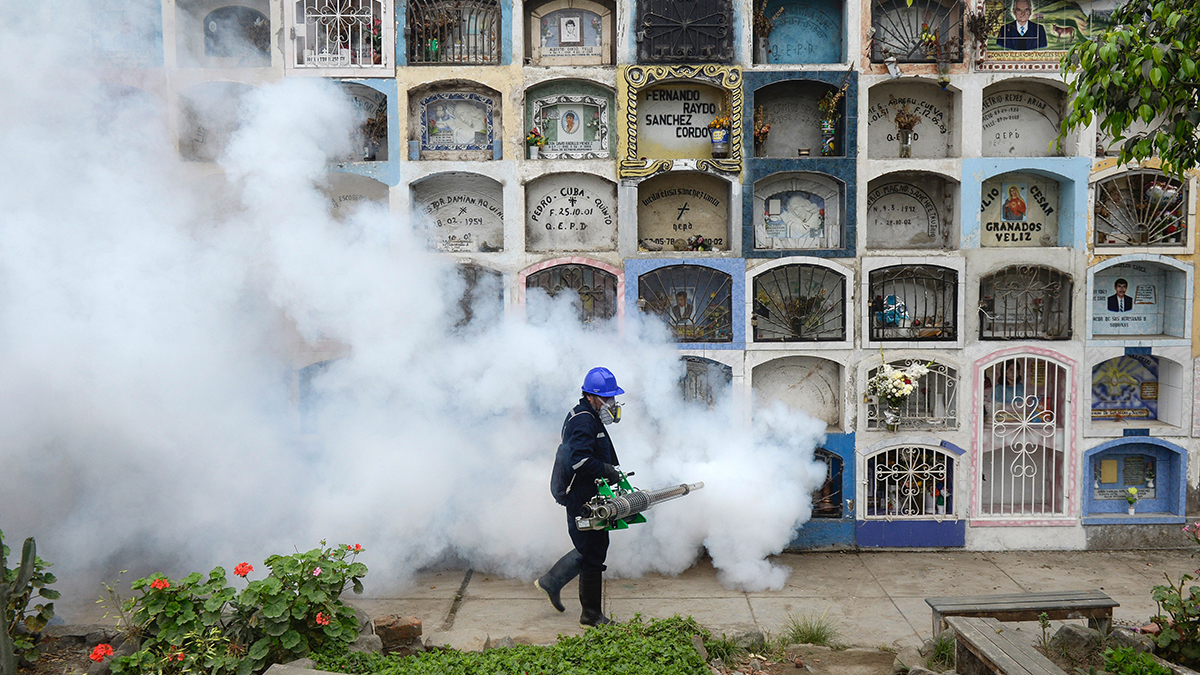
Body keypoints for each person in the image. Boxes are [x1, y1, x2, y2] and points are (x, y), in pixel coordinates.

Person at [535, 367, 625, 628]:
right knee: (592, 552)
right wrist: (606, 470)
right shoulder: (584, 420)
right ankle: (591, 615)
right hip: (582, 498)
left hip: (590, 494)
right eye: (608, 398)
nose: (612, 404)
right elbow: (580, 461)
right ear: (592, 396)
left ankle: (552, 582)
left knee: (592, 548)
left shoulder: (589, 415)